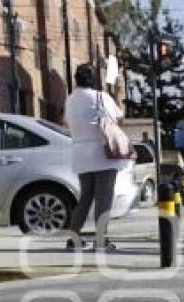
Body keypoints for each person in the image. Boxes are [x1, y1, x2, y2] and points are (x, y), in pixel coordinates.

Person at [64, 63, 130, 251]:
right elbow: (119, 118)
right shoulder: (101, 97)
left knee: (85, 196)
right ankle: (101, 240)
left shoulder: (70, 100)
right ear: (93, 80)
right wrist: (118, 93)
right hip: (102, 153)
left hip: (80, 154)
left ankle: (73, 237)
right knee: (104, 197)